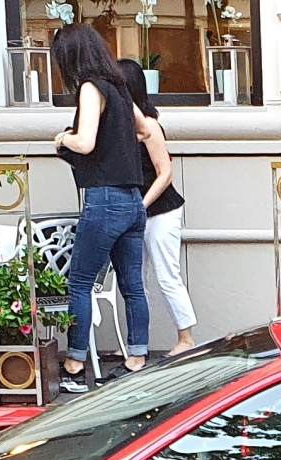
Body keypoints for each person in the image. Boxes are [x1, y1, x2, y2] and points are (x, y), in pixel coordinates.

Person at [49, 25, 154, 393]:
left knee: (79, 281)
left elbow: (85, 141)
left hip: (105, 198)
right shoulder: (120, 87)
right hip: (133, 200)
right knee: (132, 286)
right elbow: (146, 130)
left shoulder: (91, 88)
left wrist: (63, 138)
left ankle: (75, 367)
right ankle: (136, 360)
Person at [118, 59, 196, 355]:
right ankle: (137, 344)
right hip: (136, 212)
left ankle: (186, 339)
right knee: (135, 281)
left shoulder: (149, 125)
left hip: (161, 210)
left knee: (166, 274)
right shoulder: (120, 126)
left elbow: (165, 172)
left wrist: (140, 205)